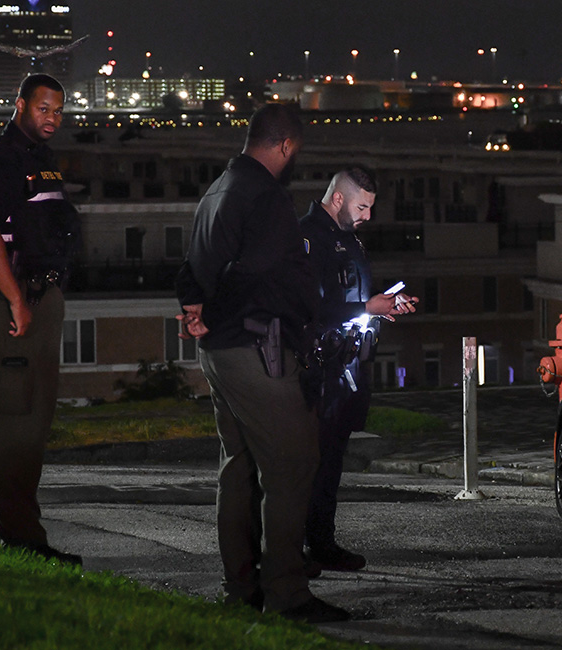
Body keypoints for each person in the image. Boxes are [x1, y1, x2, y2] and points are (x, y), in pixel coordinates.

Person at [174, 103, 350, 623]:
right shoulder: (266, 199)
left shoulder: (218, 190)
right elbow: (268, 279)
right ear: (286, 146)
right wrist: (309, 321)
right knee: (292, 466)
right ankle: (287, 593)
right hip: (260, 350)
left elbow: (194, 270)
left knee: (239, 468)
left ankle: (243, 586)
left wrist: (197, 309)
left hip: (220, 353)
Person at [0, 73, 82, 565]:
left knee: (23, 417)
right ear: (20, 106)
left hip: (37, 295)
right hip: (10, 301)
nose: (51, 118)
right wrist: (16, 300)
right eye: (42, 108)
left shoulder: (39, 159)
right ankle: (24, 540)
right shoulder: (0, 159)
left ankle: (1, 531)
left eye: (58, 110)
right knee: (19, 421)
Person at [300, 167, 416, 573]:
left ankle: (321, 542)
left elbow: (354, 296)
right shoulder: (309, 238)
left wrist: (384, 305)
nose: (367, 215)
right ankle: (301, 546)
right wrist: (368, 308)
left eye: (370, 207)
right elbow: (309, 309)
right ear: (338, 199)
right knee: (310, 462)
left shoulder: (348, 240)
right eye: (361, 206)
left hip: (347, 365)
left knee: (331, 461)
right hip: (319, 370)